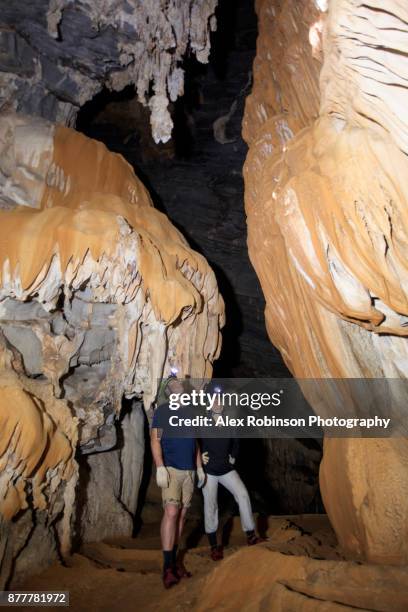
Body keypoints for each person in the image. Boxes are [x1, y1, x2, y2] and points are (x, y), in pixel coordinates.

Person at [151, 373, 205, 589]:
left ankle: (174, 561)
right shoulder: (162, 412)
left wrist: (200, 468)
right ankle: (167, 567)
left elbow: (196, 443)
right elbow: (155, 440)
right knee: (172, 511)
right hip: (172, 468)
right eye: (171, 384)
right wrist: (160, 466)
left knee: (182, 515)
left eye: (178, 383)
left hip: (190, 471)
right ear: (168, 391)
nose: (176, 385)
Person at [200, 385, 265, 561]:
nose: (218, 404)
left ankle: (250, 534)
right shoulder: (203, 422)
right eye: (214, 401)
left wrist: (233, 457)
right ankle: (214, 545)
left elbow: (236, 441)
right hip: (209, 472)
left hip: (227, 469)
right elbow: (194, 440)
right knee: (211, 505)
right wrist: (199, 458)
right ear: (209, 404)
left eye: (220, 401)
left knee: (243, 494)